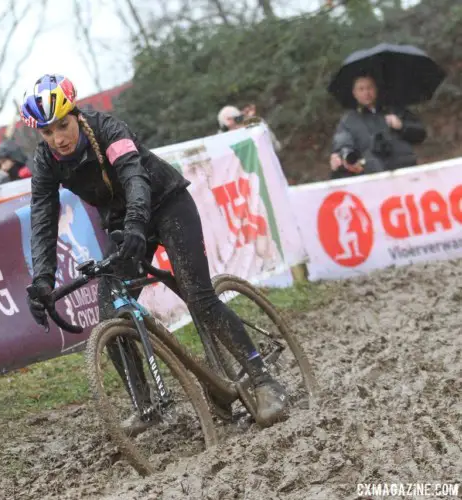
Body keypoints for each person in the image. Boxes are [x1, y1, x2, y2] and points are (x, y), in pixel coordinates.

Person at [21, 74, 287, 432]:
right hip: (124, 224)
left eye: (63, 126)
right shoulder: (46, 162)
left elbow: (134, 177)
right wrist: (41, 278)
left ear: (75, 114)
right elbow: (42, 219)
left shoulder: (108, 129)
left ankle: (263, 379)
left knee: (198, 295)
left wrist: (135, 224)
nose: (58, 138)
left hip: (166, 205)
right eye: (48, 132)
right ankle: (146, 406)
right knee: (109, 318)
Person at [329, 74, 426, 179]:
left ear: (376, 89)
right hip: (373, 176)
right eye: (361, 89)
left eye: (369, 87)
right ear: (354, 93)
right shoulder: (349, 120)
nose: (366, 93)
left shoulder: (395, 110)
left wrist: (401, 126)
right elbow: (343, 143)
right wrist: (343, 155)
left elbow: (420, 134)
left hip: (405, 171)